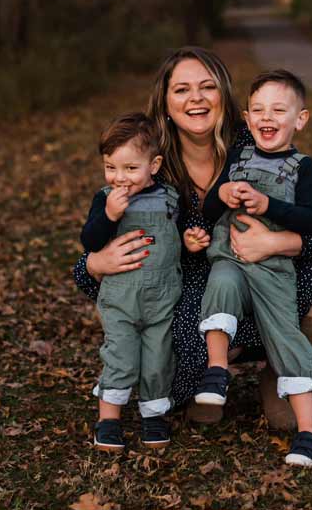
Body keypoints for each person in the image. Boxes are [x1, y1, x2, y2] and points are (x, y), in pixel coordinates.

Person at [72, 46, 312, 430]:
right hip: (185, 283)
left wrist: (278, 243)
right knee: (196, 320)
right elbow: (89, 256)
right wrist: (96, 264)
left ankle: (280, 374)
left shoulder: (256, 145)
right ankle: (208, 374)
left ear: (224, 95)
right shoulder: (148, 164)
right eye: (182, 89)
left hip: (263, 267)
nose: (196, 98)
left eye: (207, 87)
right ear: (165, 102)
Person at [196, 70, 312, 466]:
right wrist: (221, 192)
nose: (267, 117)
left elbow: (311, 219)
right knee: (219, 282)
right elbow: (208, 211)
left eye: (278, 110)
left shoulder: (303, 168)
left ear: (299, 119)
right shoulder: (237, 157)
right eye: (258, 110)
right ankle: (217, 370)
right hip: (231, 258)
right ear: (247, 117)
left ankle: (310, 433)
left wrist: (269, 207)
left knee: (286, 335)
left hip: (273, 270)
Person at [80, 113, 209, 452]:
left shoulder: (170, 197)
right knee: (120, 357)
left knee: (158, 360)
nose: (120, 178)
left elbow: (173, 239)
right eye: (111, 167)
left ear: (154, 165)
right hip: (121, 297)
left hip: (163, 298)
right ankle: (108, 420)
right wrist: (109, 216)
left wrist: (190, 242)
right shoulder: (105, 198)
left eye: (130, 168)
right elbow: (90, 241)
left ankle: (153, 416)